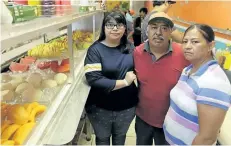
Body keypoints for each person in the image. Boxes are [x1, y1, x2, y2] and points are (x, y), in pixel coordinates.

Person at [163, 24, 231, 145]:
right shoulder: (188, 70)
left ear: (211, 46)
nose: (187, 46)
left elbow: (207, 138)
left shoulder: (214, 82)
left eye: (195, 42)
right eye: (185, 41)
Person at [134, 12, 189, 145]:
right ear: (147, 30)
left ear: (171, 32)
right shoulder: (137, 53)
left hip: (171, 122)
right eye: (154, 27)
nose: (158, 32)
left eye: (164, 28)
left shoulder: (183, 54)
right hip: (143, 119)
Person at [84, 11, 138, 145]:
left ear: (125, 28)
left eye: (119, 25)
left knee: (120, 138)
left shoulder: (131, 48)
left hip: (127, 106)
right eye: (110, 25)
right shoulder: (95, 50)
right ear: (104, 28)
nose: (115, 28)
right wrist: (124, 82)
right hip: (100, 107)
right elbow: (94, 79)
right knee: (102, 139)